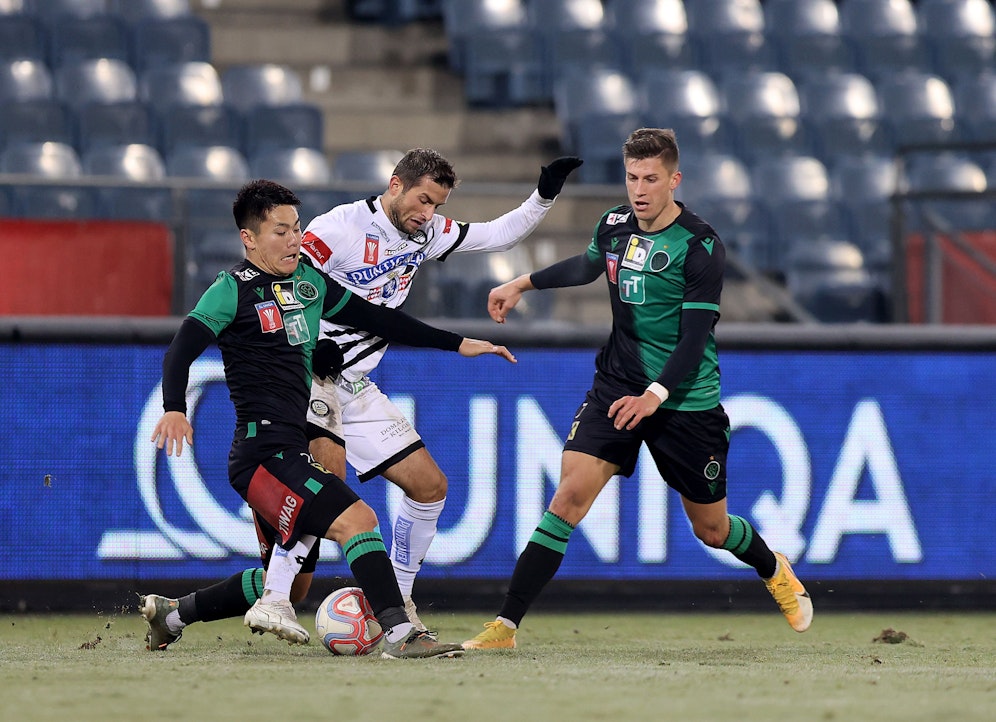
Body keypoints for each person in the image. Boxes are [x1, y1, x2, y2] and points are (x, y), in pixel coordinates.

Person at [141, 149, 582, 648]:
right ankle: (304, 605)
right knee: (335, 498)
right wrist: (177, 405)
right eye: (422, 200)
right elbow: (274, 294)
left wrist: (544, 196)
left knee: (429, 486)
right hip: (313, 379)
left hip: (357, 385)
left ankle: (384, 603)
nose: (428, 214)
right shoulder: (340, 228)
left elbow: (492, 237)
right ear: (395, 185)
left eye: (436, 204)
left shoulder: (427, 233)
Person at [461, 128, 813, 651]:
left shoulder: (700, 245)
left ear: (675, 179)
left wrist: (655, 396)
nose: (639, 189)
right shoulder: (615, 225)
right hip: (617, 385)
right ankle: (505, 627)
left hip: (683, 399)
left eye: (651, 178)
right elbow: (586, 266)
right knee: (568, 498)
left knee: (712, 530)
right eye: (631, 177)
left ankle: (771, 565)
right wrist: (521, 283)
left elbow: (695, 340)